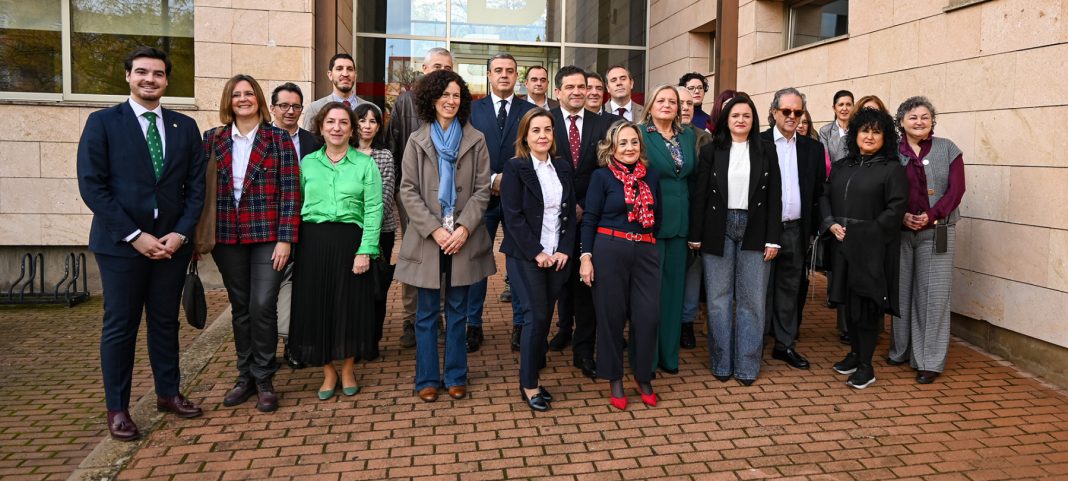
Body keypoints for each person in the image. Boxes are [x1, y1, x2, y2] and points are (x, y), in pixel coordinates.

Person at [78, 47, 205, 441]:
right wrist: (135, 235)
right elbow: (93, 186)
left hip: (171, 246)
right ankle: (118, 408)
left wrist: (180, 234)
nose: (150, 79)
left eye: (158, 74)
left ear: (167, 80)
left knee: (165, 323)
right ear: (128, 77)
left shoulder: (185, 127)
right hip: (121, 246)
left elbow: (196, 189)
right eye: (142, 72)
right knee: (121, 326)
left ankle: (168, 393)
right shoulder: (103, 123)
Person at [395, 70, 495, 403]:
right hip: (428, 238)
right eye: (444, 95)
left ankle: (455, 375)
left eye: (456, 95)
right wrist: (435, 230)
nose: (450, 101)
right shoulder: (416, 140)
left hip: (463, 237)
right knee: (425, 313)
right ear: (431, 98)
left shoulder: (476, 139)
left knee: (457, 311)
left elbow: (482, 190)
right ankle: (426, 378)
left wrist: (463, 228)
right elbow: (408, 191)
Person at [205, 74, 300, 413]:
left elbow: (291, 192)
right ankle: (244, 375)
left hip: (268, 236)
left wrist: (286, 238)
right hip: (227, 236)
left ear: (258, 99)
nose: (243, 99)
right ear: (228, 101)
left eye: (248, 93)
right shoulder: (213, 139)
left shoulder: (277, 138)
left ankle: (264, 377)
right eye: (236, 94)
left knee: (263, 304)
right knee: (241, 306)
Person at [289, 102, 383, 399]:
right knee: (317, 306)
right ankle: (328, 371)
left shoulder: (365, 164)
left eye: (343, 122)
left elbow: (374, 209)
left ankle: (348, 368)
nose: (337, 128)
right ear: (321, 127)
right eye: (330, 122)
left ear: (352, 129)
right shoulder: (307, 163)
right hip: (313, 243)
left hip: (350, 242)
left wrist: (366, 249)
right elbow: (295, 204)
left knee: (350, 306)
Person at [688, 94, 782, 386]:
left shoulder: (766, 150)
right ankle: (721, 362)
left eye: (746, 116)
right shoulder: (711, 150)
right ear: (726, 120)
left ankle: (747, 366)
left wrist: (773, 239)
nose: (741, 120)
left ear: (754, 120)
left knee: (752, 300)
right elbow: (701, 195)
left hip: (755, 228)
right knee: (718, 300)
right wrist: (695, 235)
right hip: (718, 227)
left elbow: (774, 196)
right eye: (735, 115)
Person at [822, 107, 909, 389]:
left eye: (876, 132)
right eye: (864, 130)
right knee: (849, 304)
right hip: (842, 245)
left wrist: (862, 232)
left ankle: (866, 365)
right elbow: (824, 196)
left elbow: (895, 209)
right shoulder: (842, 166)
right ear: (855, 133)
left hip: (871, 248)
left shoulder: (892, 169)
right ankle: (854, 354)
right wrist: (830, 223)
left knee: (867, 307)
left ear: (885, 137)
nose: (869, 136)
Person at [579, 120, 661, 410]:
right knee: (611, 317)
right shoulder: (601, 177)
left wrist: (646, 244)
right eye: (623, 143)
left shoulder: (651, 176)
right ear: (611, 147)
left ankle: (643, 375)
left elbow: (659, 216)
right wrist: (586, 257)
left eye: (634, 142)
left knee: (648, 316)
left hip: (645, 251)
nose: (629, 148)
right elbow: (589, 219)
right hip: (609, 249)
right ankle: (614, 378)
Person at [500, 109, 576, 412]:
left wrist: (564, 250)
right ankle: (529, 384)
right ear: (525, 136)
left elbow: (569, 213)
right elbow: (513, 217)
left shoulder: (562, 166)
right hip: (526, 255)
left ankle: (533, 370)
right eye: (536, 130)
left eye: (547, 129)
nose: (542, 135)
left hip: (558, 256)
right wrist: (537, 252)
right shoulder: (515, 167)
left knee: (544, 316)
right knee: (536, 316)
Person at [888, 96, 966, 384]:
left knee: (933, 296)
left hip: (937, 231)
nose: (919, 121)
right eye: (913, 117)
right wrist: (902, 216)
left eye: (925, 116)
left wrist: (932, 215)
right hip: (901, 232)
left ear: (933, 120)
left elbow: (956, 190)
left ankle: (929, 361)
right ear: (901, 122)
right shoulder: (892, 152)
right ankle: (901, 349)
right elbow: (884, 190)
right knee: (902, 293)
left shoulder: (948, 149)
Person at [546, 66, 616, 379]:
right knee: (554, 283)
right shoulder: (545, 123)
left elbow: (609, 169)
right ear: (558, 91)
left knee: (586, 284)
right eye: (570, 87)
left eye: (582, 86)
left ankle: (584, 351)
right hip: (552, 220)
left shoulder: (604, 125)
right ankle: (558, 331)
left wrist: (584, 206)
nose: (577, 92)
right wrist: (567, 204)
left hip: (591, 217)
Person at [468, 52, 535, 352]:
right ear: (489, 75)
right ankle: (473, 324)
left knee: (518, 264)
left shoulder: (529, 111)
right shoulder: (472, 110)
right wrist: (491, 179)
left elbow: (534, 151)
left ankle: (520, 324)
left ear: (516, 76)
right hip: (481, 199)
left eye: (509, 70)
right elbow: (466, 154)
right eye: (498, 70)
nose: (504, 75)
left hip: (518, 198)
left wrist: (508, 178)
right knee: (477, 262)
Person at [388, 47, 454, 349]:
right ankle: (410, 318)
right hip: (412, 195)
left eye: (447, 68)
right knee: (414, 254)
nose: (442, 71)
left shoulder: (456, 103)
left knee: (444, 254)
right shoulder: (406, 101)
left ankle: (437, 315)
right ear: (424, 69)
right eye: (437, 66)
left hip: (447, 197)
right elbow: (394, 144)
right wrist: (399, 193)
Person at [761, 88, 825, 371]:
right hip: (764, 229)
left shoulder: (813, 149)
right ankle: (754, 342)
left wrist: (813, 229)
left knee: (789, 288)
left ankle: (784, 345)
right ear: (774, 111)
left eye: (797, 112)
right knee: (760, 288)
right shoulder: (758, 142)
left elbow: (819, 192)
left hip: (796, 229)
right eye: (786, 111)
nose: (792, 116)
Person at [639, 85, 696, 374]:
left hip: (681, 225)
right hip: (650, 223)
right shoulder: (639, 134)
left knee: (674, 295)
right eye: (660, 100)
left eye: (672, 101)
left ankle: (668, 357)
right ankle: (646, 360)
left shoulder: (687, 136)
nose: (667, 105)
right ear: (650, 105)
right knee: (649, 296)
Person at [270, 82, 322, 371]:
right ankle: (265, 349)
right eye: (284, 106)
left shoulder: (312, 142)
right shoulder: (261, 139)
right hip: (268, 225)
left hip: (306, 225)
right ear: (273, 108)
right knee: (268, 289)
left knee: (301, 287)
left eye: (296, 106)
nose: (290, 111)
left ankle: (294, 344)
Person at [354, 102, 398, 360]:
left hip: (381, 232)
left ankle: (371, 339)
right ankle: (353, 339)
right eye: (362, 120)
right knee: (353, 289)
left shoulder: (384, 156)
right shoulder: (344, 153)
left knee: (376, 288)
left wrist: (368, 229)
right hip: (349, 231)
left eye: (373, 121)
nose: (367, 126)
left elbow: (385, 197)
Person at [676, 85, 711, 350]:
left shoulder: (704, 138)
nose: (686, 107)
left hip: (696, 214)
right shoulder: (655, 136)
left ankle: (686, 323)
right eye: (680, 103)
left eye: (690, 103)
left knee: (692, 271)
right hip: (669, 215)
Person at [303, 53, 364, 132]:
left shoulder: (371, 109)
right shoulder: (314, 109)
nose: (345, 74)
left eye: (350, 69)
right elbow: (308, 139)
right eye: (339, 69)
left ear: (355, 75)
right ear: (330, 75)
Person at [818, 90, 853, 164]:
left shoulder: (859, 129)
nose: (845, 108)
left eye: (848, 104)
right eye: (841, 105)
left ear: (853, 107)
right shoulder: (825, 131)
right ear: (834, 108)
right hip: (834, 170)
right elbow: (826, 161)